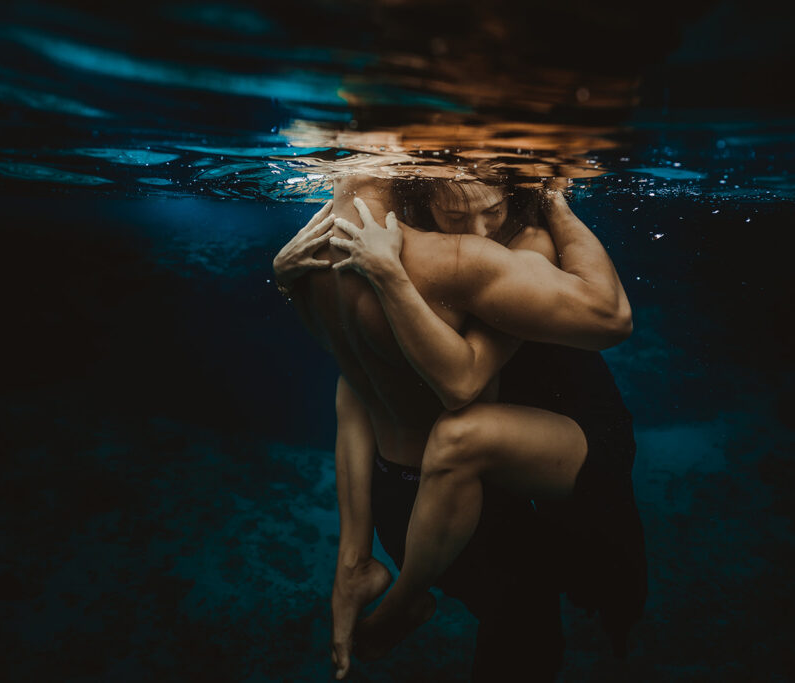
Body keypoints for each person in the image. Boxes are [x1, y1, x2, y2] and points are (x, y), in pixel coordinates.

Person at [273, 173, 638, 680]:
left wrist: (290, 279)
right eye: (457, 215)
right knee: (526, 620)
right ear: (419, 195)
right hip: (461, 483)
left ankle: (400, 595)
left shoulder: (325, 260)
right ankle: (404, 598)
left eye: (494, 210)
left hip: (448, 482)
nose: (481, 230)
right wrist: (381, 275)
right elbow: (431, 384)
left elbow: (369, 384)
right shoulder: (448, 259)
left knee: (549, 595)